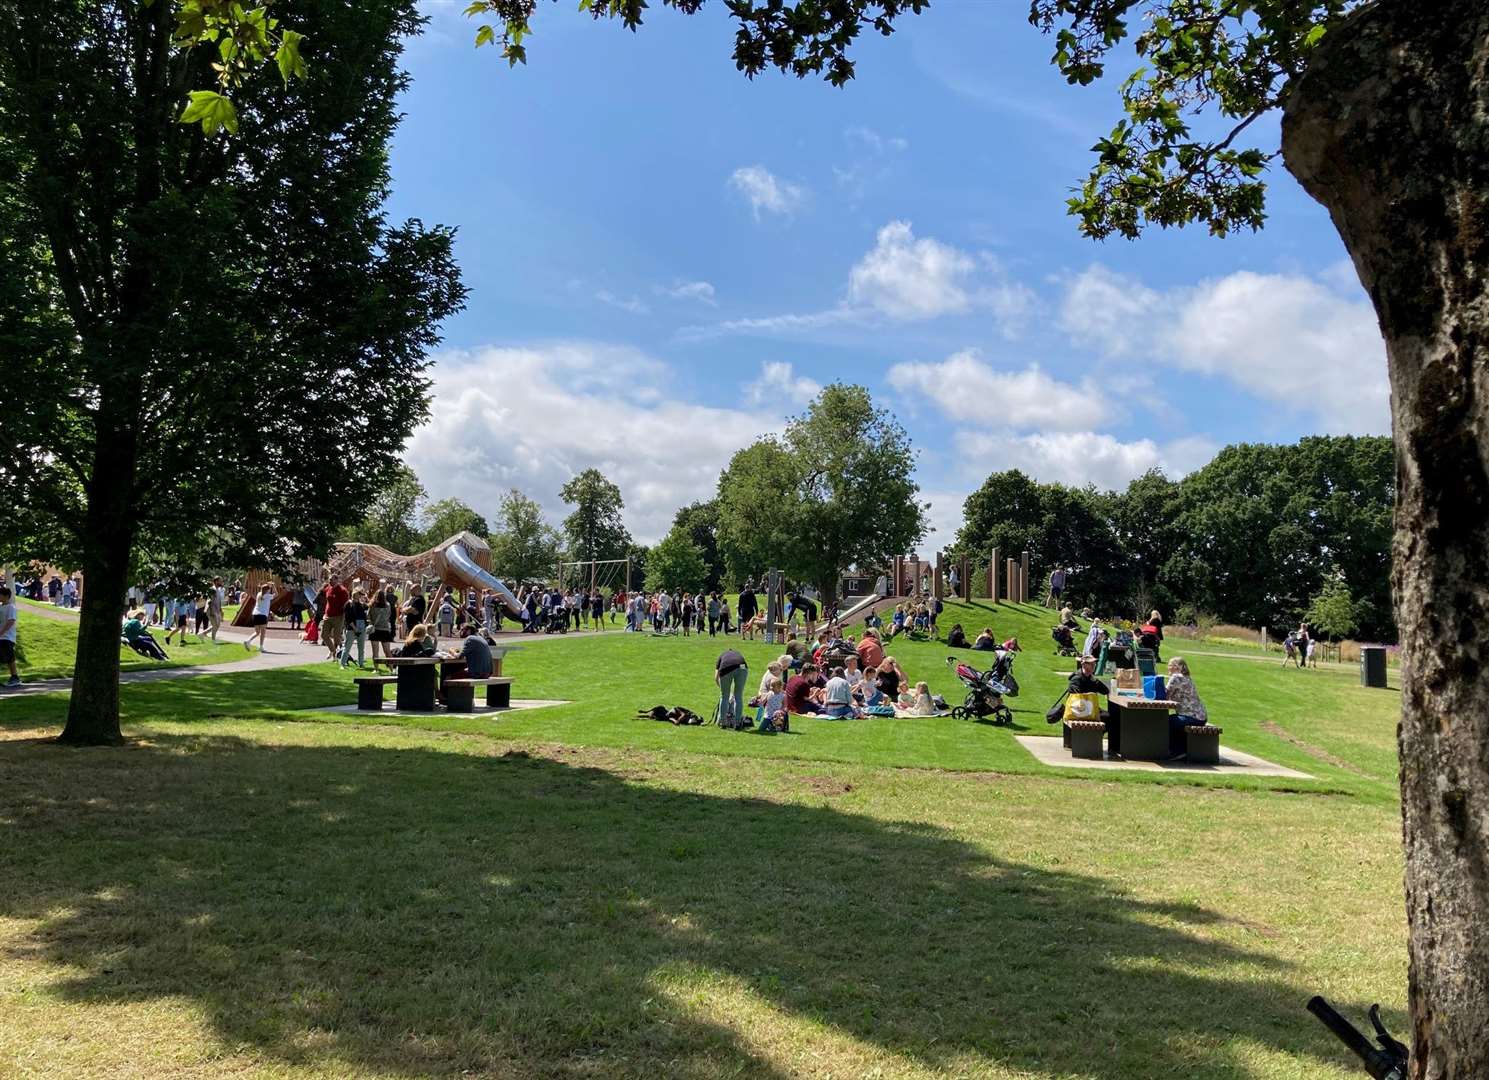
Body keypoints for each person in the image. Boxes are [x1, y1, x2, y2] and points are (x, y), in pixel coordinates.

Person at [1066, 654, 1114, 751]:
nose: (1093, 666)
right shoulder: (1076, 679)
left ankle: (1095, 737)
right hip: (1078, 710)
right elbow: (1078, 699)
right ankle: (1091, 739)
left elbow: (1105, 690)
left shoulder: (1091, 678)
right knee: (1107, 718)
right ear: (1084, 665)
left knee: (1112, 718)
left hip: (1090, 709)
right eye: (1091, 664)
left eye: (1094, 664)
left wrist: (1095, 680)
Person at [1164, 656, 1209, 755]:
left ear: (1177, 667)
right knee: (1173, 720)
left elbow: (1165, 695)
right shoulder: (1186, 677)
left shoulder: (1176, 677)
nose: (1168, 667)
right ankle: (1177, 749)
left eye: (1170, 665)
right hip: (1201, 717)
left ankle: (1176, 751)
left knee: (1168, 721)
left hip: (1193, 717)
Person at [715, 645, 749, 728]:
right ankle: (737, 722)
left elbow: (716, 677)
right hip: (742, 667)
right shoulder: (738, 654)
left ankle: (723, 722)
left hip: (726, 669)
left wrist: (724, 689)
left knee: (724, 697)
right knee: (738, 696)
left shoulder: (721, 656)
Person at [320, 577, 349, 661]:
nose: (330, 581)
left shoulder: (342, 591)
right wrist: (324, 613)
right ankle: (333, 651)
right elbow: (327, 601)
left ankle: (342, 652)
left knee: (336, 637)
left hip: (338, 616)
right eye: (329, 580)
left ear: (337, 580)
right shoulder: (328, 588)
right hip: (327, 616)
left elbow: (345, 605)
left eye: (332, 580)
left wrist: (343, 617)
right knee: (324, 635)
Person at [340, 589, 370, 668]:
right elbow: (348, 618)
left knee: (361, 648)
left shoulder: (362, 605)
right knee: (347, 647)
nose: (360, 596)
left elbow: (368, 608)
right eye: (359, 594)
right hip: (351, 628)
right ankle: (342, 664)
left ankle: (361, 663)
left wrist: (366, 599)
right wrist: (354, 628)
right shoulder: (348, 604)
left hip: (361, 628)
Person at [367, 589, 395, 662]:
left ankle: (376, 669)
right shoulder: (387, 605)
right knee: (387, 651)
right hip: (385, 629)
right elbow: (389, 615)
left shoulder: (372, 605)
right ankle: (392, 668)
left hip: (374, 629)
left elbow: (368, 616)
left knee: (375, 652)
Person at [0, 586, 18, 687]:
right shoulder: (1, 607)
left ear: (6, 596)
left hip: (7, 637)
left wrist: (1, 632)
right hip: (1, 637)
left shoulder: (11, 607)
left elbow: (11, 621)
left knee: (10, 658)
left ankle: (15, 677)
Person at [248, 583, 274, 652]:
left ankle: (248, 641)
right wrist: (273, 586)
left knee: (257, 632)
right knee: (263, 632)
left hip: (255, 614)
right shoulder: (268, 596)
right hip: (262, 615)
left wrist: (267, 586)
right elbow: (276, 594)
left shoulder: (258, 594)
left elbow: (263, 591)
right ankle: (261, 646)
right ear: (267, 590)